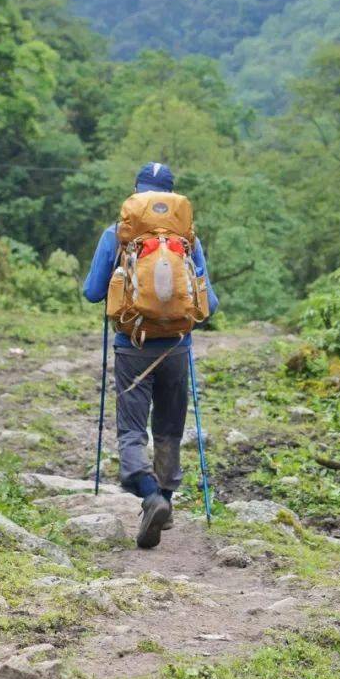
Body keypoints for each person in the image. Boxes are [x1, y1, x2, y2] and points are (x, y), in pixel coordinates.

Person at [82, 162, 219, 548]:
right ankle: (166, 499)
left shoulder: (118, 234)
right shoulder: (188, 241)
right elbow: (212, 304)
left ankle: (149, 494)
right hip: (177, 347)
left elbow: (93, 293)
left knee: (131, 428)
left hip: (132, 347)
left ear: (136, 193)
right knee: (170, 428)